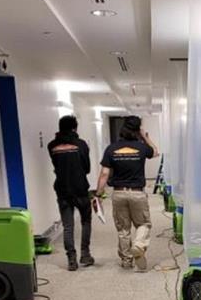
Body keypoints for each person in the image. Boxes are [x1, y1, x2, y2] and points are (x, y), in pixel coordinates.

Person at [95, 116, 159, 271]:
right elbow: (156, 152)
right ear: (138, 130)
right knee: (143, 223)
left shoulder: (111, 148)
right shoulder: (141, 147)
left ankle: (126, 261)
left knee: (123, 229)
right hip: (137, 193)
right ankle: (138, 244)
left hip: (118, 193)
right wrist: (145, 137)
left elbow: (104, 174)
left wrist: (98, 194)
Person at [47, 115, 95, 271]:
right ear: (75, 128)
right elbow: (87, 168)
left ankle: (71, 260)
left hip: (62, 189)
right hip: (80, 188)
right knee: (85, 222)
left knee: (68, 226)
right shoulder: (81, 145)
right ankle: (85, 255)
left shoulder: (52, 146)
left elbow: (56, 166)